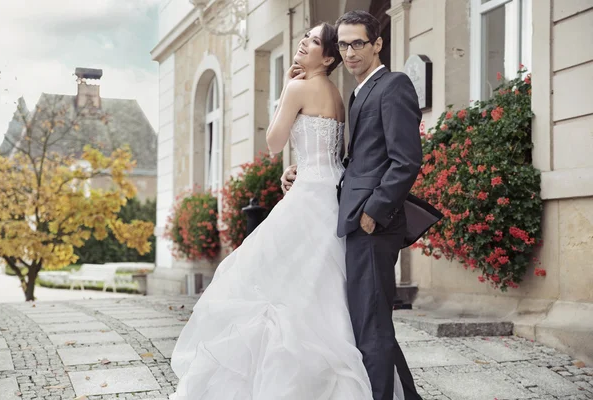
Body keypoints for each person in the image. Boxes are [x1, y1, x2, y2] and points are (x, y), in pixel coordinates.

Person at [169, 22, 407, 399]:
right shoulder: (339, 94)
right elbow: (338, 154)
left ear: (327, 58)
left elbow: (273, 142)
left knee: (283, 288)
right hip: (334, 192)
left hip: (312, 194)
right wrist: (294, 170)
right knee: (332, 294)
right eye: (306, 37)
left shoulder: (299, 87)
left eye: (313, 41)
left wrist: (284, 91)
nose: (303, 43)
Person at [281, 10, 442, 400]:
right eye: (343, 45)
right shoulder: (359, 92)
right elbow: (360, 159)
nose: (350, 52)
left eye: (358, 44)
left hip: (373, 223)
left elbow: (406, 159)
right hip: (352, 218)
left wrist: (374, 212)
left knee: (370, 325)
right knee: (369, 323)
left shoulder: (394, 85)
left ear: (377, 44)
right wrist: (300, 170)